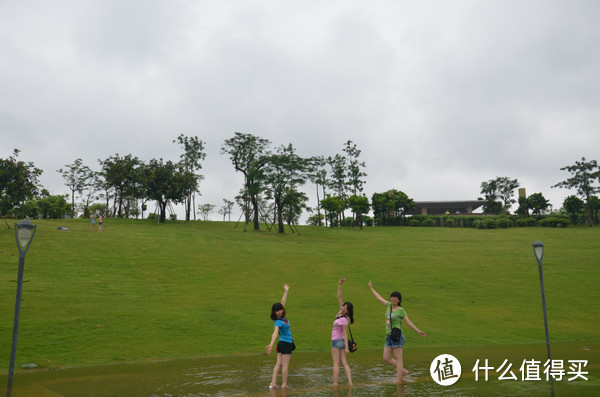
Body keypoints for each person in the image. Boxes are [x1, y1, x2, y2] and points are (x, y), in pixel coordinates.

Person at [368, 280, 426, 384]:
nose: (393, 299)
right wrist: (371, 288)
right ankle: (403, 371)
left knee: (399, 359)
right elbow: (379, 298)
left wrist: (418, 331)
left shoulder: (401, 310)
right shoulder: (389, 305)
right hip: (389, 336)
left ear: (399, 300)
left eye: (395, 298)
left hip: (397, 336)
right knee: (386, 357)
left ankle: (398, 380)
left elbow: (408, 322)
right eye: (392, 297)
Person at [266, 284, 294, 389]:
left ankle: (273, 382)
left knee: (278, 364)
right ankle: (284, 385)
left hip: (282, 343)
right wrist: (271, 344)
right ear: (274, 313)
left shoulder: (282, 318)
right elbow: (274, 333)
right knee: (284, 365)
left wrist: (286, 291)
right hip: (285, 343)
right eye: (277, 311)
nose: (279, 311)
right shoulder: (278, 321)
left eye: (280, 310)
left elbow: (282, 302)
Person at [331, 278, 354, 387]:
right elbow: (339, 297)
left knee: (336, 363)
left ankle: (335, 384)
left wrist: (346, 348)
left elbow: (345, 334)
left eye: (345, 308)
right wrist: (339, 285)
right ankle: (350, 383)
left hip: (337, 341)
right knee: (344, 363)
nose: (343, 308)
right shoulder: (341, 312)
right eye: (343, 306)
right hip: (339, 341)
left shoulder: (344, 319)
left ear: (348, 311)